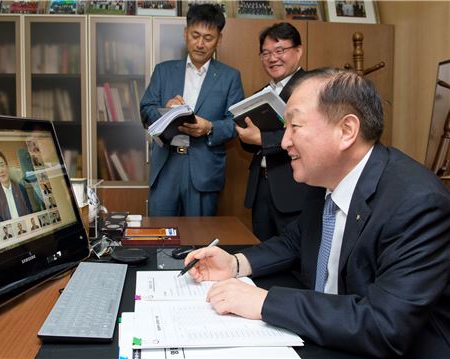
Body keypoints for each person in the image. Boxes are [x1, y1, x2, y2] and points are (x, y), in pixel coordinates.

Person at [186, 69, 450, 358]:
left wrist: (266, 303)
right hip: (327, 333)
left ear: (346, 131)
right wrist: (235, 263)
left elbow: (385, 325)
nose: (284, 142)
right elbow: (294, 241)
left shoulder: (417, 204)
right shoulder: (322, 180)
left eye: (294, 126)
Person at [140, 3, 244, 216]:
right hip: (166, 166)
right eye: (195, 35)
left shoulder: (230, 77)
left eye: (208, 38)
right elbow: (145, 110)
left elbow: (236, 123)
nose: (200, 44)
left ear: (219, 40)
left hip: (203, 169)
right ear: (185, 33)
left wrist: (209, 128)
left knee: (199, 240)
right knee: (161, 240)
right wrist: (165, 109)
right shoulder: (163, 71)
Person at [236, 22, 309, 241]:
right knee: (262, 249)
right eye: (266, 53)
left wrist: (262, 138)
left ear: (298, 51)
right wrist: (247, 136)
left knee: (293, 254)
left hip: (293, 188)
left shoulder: (310, 88)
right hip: (262, 188)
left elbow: (305, 134)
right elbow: (250, 144)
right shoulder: (262, 94)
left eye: (280, 51)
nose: (272, 58)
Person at [0, 149, 33, 222]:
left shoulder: (20, 188)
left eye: (2, 165)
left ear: (7, 166)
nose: (0, 170)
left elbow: (29, 212)